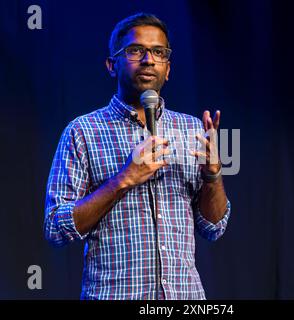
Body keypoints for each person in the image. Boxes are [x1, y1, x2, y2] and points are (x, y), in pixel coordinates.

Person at [44, 12, 231, 300]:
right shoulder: (82, 132)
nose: (148, 60)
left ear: (168, 69)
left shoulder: (193, 129)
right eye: (135, 50)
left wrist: (213, 175)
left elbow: (213, 227)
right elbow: (56, 228)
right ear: (111, 65)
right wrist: (124, 179)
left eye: (158, 52)